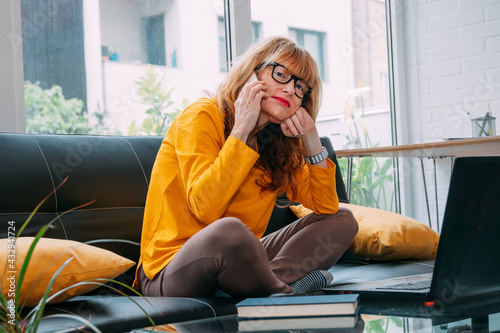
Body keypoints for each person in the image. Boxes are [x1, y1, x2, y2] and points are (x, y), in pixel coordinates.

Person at [134, 36, 358, 298]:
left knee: (343, 220)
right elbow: (205, 208)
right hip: (170, 270)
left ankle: (264, 284)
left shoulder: (279, 144)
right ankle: (282, 292)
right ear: (252, 73)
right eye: (281, 74)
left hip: (241, 259)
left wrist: (311, 139)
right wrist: (242, 129)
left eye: (300, 87)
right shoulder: (202, 116)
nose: (290, 90)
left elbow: (326, 207)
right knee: (229, 231)